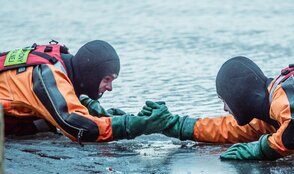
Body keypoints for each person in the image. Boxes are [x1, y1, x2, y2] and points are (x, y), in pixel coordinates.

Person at [136, 56, 294, 160]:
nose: (225, 109)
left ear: (239, 95)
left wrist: (261, 149)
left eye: (225, 100)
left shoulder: (290, 88)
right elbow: (225, 130)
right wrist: (175, 124)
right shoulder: (272, 117)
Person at [0, 40, 172, 143]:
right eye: (107, 79)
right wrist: (132, 126)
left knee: (47, 125)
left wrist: (115, 117)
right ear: (91, 74)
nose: (110, 88)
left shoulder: (60, 66)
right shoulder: (48, 74)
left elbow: (73, 106)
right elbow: (78, 126)